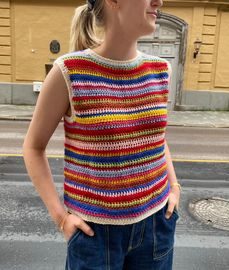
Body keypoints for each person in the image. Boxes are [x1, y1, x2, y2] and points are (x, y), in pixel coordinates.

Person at [23, 0, 181, 269]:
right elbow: (33, 147)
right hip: (94, 235)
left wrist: (174, 187)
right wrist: (61, 218)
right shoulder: (69, 72)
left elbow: (155, 138)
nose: (159, 1)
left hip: (156, 225)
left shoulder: (160, 70)